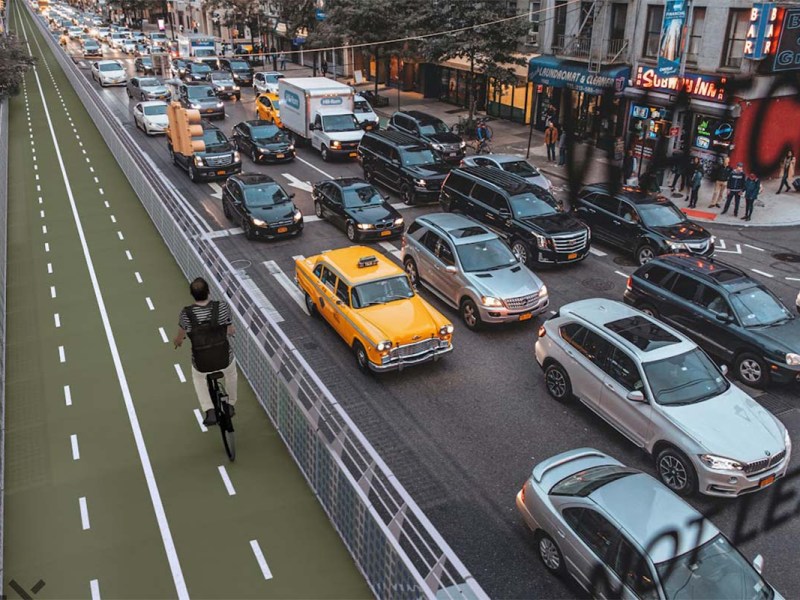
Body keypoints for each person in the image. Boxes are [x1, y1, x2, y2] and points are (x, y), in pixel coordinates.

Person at [174, 278, 238, 426]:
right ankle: (230, 404)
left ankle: (209, 410)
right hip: (223, 358)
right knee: (231, 374)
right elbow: (230, 328)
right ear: (208, 291)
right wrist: (230, 331)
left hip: (201, 362)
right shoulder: (222, 307)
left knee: (198, 379)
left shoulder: (186, 313)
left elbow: (181, 334)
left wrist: (178, 341)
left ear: (192, 294)